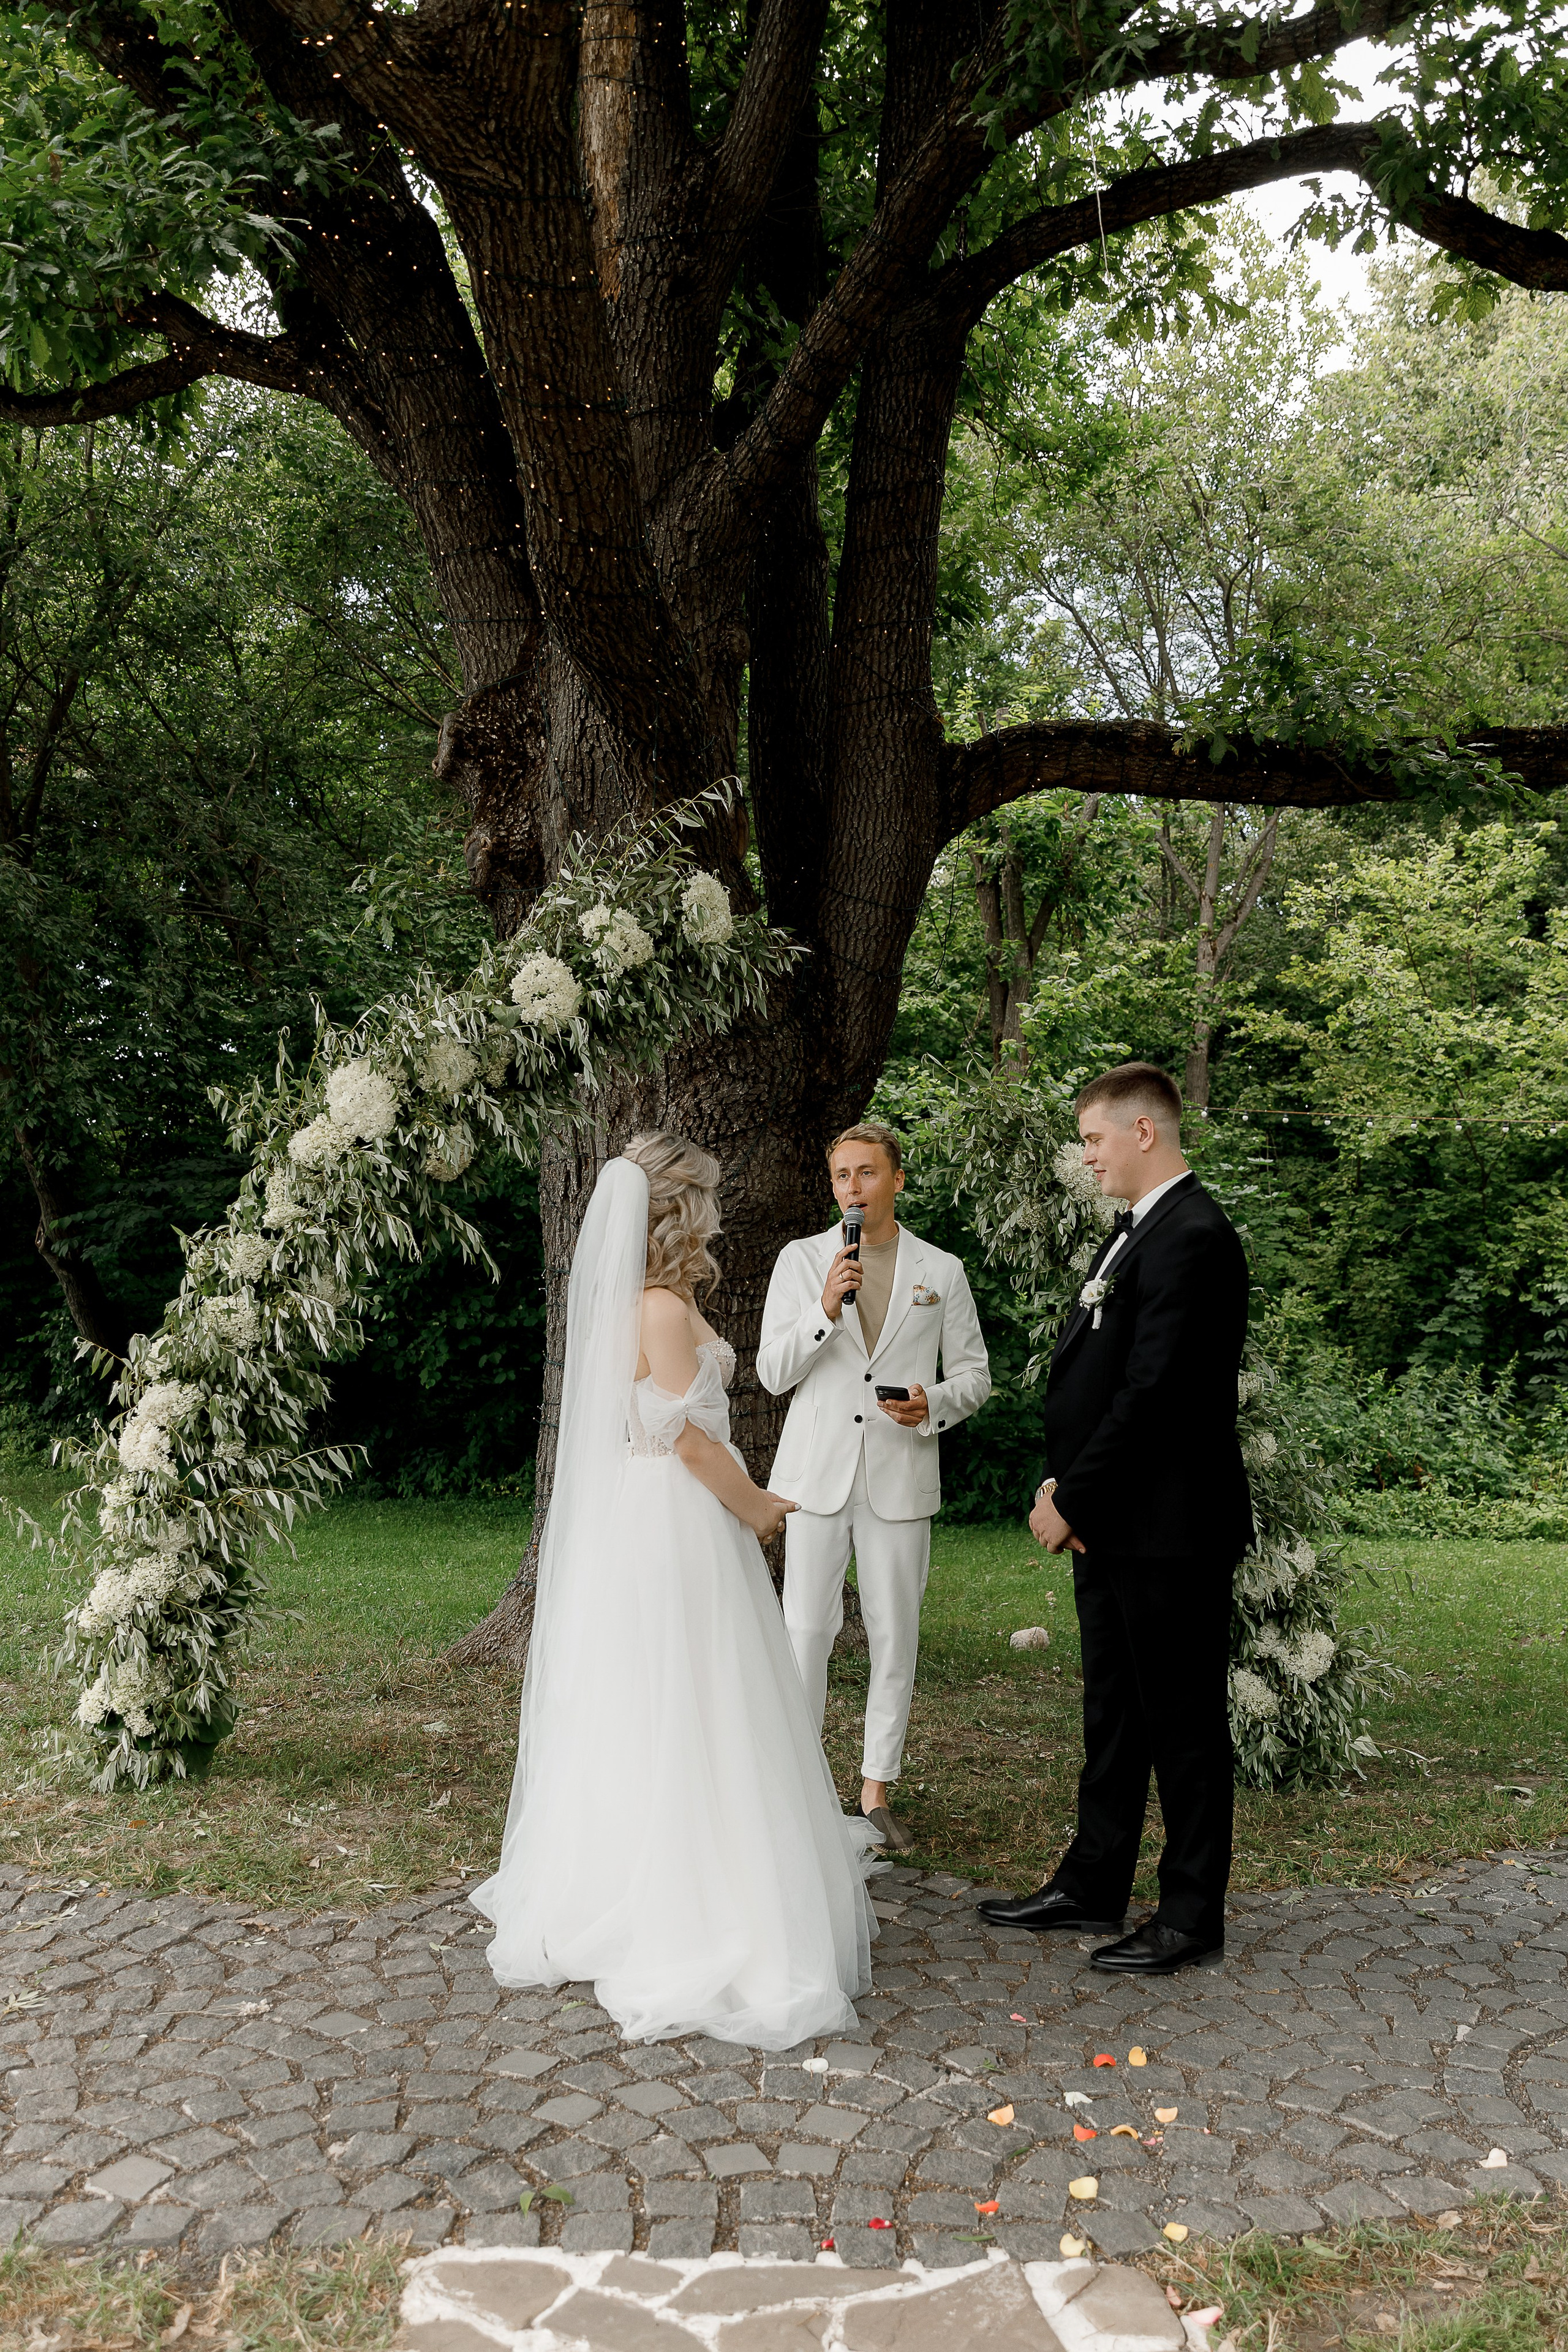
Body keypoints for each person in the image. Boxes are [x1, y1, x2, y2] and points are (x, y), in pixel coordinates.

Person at [472, 1133, 879, 2049]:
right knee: (698, 1695)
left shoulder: (660, 1301)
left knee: (688, 1695)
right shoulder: (656, 1310)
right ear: (678, 1213)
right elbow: (687, 1441)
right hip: (683, 1517)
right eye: (710, 1200)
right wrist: (759, 1510)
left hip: (674, 1515)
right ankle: (693, 1893)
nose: (721, 1214)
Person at [976, 1064, 1251, 1977]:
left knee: (1181, 1722)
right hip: (1114, 1520)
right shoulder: (1141, 1233)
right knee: (1115, 1715)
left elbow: (1156, 1394)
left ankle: (1190, 1914)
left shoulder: (1194, 1235)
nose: (1086, 1156)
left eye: (1093, 1139)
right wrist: (1068, 1486)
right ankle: (1094, 1880)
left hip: (1168, 1528)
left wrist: (1072, 1499)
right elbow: (1100, 1376)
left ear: (1144, 1132)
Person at [758, 1122, 991, 1852]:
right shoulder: (803, 1262)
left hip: (899, 1473)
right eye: (840, 1176)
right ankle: (798, 1783)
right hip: (815, 1476)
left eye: (865, 1174)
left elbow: (976, 1376)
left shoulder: (941, 1270)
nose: (851, 1188)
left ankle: (875, 1788)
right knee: (805, 1631)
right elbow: (772, 1373)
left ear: (894, 1180)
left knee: (895, 1633)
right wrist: (824, 1309)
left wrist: (933, 1404)